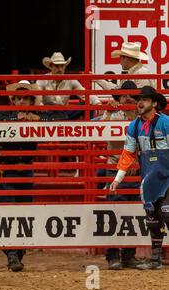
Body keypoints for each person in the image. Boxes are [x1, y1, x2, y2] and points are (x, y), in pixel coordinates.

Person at [0, 80, 43, 272]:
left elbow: (61, 116)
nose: (23, 101)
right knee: (7, 210)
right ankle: (12, 254)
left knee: (24, 211)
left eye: (26, 98)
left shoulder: (38, 117)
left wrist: (38, 117)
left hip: (26, 168)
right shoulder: (3, 116)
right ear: (14, 100)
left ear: (31, 101)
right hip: (8, 169)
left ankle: (18, 253)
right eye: (19, 98)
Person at [110, 86, 169, 270]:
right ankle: (155, 258)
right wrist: (118, 178)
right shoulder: (134, 126)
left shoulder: (166, 123)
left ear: (154, 103)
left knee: (167, 212)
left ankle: (156, 258)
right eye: (139, 99)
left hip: (167, 176)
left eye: (145, 99)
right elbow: (128, 153)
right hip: (150, 179)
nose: (140, 103)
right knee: (152, 216)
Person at [102, 81, 141, 270]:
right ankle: (112, 255)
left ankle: (128, 254)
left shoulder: (142, 117)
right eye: (124, 94)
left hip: (136, 171)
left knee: (134, 213)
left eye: (131, 94)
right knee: (115, 212)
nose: (128, 98)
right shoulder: (113, 114)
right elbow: (102, 133)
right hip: (116, 169)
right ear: (120, 97)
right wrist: (109, 112)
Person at [36, 52, 102, 120]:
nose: (60, 69)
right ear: (51, 66)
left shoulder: (70, 80)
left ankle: (89, 126)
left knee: (88, 102)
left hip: (65, 113)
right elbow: (37, 97)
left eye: (62, 66)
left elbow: (85, 94)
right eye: (57, 66)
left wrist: (98, 103)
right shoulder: (43, 80)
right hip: (48, 113)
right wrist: (42, 109)